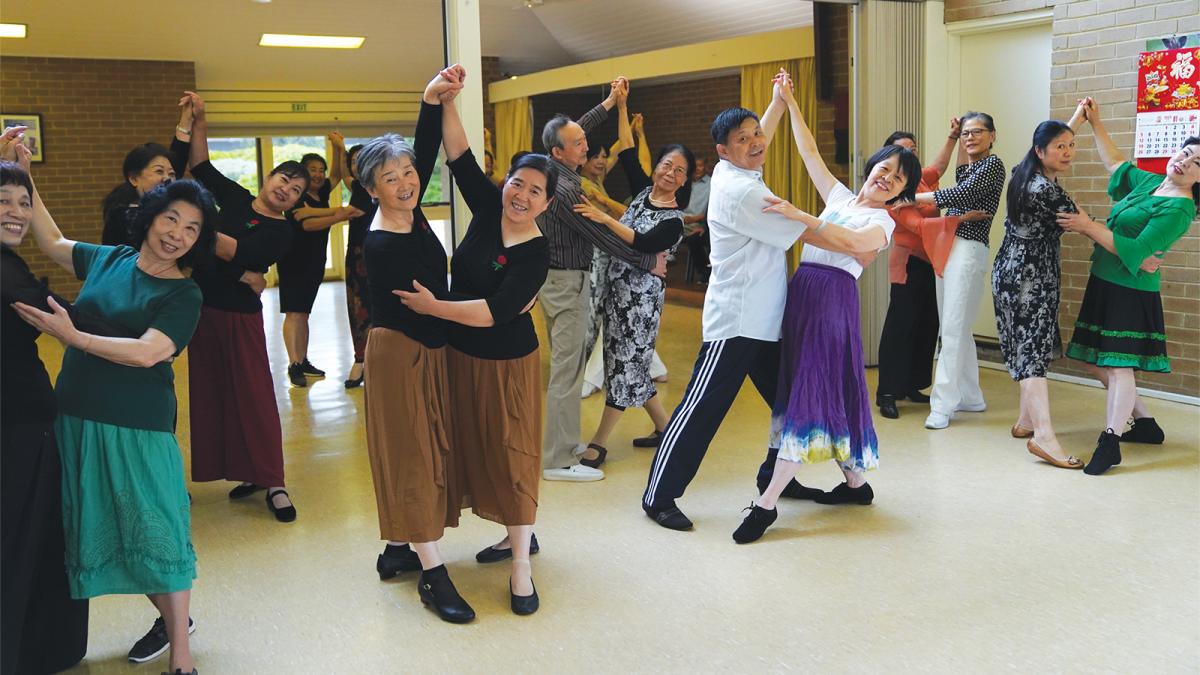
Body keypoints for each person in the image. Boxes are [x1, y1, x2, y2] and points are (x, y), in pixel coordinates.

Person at [14, 168, 216, 675]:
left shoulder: (182, 294)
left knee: (157, 530)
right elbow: (53, 240)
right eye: (171, 219)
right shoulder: (110, 260)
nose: (177, 234)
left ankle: (182, 657)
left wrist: (74, 337)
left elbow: (150, 352)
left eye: (192, 229)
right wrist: (26, 178)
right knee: (106, 526)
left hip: (137, 428)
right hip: (77, 420)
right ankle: (174, 623)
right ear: (150, 217)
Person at [731, 77, 921, 544]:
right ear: (873, 165)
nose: (887, 177)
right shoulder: (840, 197)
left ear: (899, 193)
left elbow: (855, 245)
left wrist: (801, 218)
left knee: (807, 399)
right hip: (803, 299)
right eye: (886, 167)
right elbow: (810, 153)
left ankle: (766, 504)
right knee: (814, 391)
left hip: (832, 306)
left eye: (897, 179)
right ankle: (857, 485)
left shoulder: (880, 221)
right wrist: (790, 101)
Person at [396, 65, 550, 615]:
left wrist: (436, 308)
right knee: (471, 450)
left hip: (507, 363)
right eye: (517, 183)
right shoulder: (488, 209)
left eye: (535, 191)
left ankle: (521, 564)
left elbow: (497, 313)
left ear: (546, 204)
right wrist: (446, 99)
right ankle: (510, 533)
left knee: (513, 455)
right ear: (504, 183)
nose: (522, 195)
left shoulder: (535, 251)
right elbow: (458, 155)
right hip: (460, 359)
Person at [641, 70, 825, 531]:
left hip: (767, 319)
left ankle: (777, 476)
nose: (757, 141)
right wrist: (864, 235)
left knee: (788, 401)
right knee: (702, 408)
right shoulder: (743, 190)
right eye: (743, 139)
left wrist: (778, 104)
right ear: (723, 151)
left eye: (757, 133)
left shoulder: (734, 168)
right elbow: (809, 230)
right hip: (738, 318)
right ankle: (658, 496)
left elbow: (755, 135)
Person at [359, 73, 474, 623]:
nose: (406, 181)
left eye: (408, 173)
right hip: (401, 352)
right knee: (414, 457)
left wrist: (430, 100)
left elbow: (423, 154)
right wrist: (488, 311)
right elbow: (432, 308)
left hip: (425, 348)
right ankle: (433, 574)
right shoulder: (382, 241)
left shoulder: (407, 209)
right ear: (370, 189)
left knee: (426, 447)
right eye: (391, 177)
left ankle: (398, 549)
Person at [536, 76, 667, 482]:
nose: (586, 145)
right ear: (559, 152)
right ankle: (558, 459)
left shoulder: (557, 168)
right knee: (567, 372)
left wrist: (611, 103)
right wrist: (648, 261)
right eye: (577, 144)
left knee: (570, 368)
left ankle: (565, 443)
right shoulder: (566, 188)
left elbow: (578, 127)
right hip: (564, 282)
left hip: (561, 279)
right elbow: (602, 237)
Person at [1058, 98, 1197, 475]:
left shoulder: (1181, 209)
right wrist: (1096, 124)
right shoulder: (1152, 182)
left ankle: (1111, 440)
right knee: (1093, 360)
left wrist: (1087, 226)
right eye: (1185, 152)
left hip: (1132, 291)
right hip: (1104, 279)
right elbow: (1116, 163)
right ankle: (1147, 424)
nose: (1184, 161)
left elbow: (1136, 250)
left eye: (1196, 162)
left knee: (1119, 368)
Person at [184, 91, 305, 522]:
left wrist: (193, 230)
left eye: (294, 191)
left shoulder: (282, 231)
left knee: (253, 396)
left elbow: (241, 255)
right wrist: (200, 120)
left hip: (240, 319)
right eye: (282, 182)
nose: (285, 191)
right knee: (214, 395)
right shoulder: (235, 197)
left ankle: (275, 481)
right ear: (268, 176)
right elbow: (200, 166)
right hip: (204, 312)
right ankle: (246, 470)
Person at [0, 150, 89, 675]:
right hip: (17, 427)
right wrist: (143, 326)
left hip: (21, 420)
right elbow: (60, 316)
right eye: (3, 201)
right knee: (19, 540)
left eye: (23, 202)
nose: (15, 211)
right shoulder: (6, 271)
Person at [574, 87, 689, 465]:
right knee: (629, 363)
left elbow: (643, 241)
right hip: (618, 289)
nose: (670, 173)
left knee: (625, 365)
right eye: (666, 165)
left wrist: (605, 217)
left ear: (685, 181)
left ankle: (599, 443)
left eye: (679, 171)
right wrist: (621, 105)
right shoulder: (643, 193)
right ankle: (667, 429)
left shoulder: (674, 221)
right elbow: (625, 146)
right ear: (656, 167)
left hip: (641, 300)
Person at [993, 111, 1090, 469]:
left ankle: (1025, 421)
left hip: (1010, 272)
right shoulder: (1045, 190)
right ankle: (1045, 438)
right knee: (1033, 353)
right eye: (1060, 147)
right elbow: (1080, 219)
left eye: (1071, 145)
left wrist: (1075, 119)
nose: (1068, 152)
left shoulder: (1025, 174)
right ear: (1040, 151)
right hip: (1030, 279)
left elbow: (1051, 141)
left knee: (1025, 345)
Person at [874, 124, 987, 419]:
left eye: (913, 149)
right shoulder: (892, 191)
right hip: (908, 261)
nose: (910, 153)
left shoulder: (919, 179)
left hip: (932, 260)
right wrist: (962, 217)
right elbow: (920, 226)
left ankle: (913, 384)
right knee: (901, 325)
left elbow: (938, 166)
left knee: (928, 323)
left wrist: (952, 137)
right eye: (903, 150)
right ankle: (887, 392)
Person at [914, 111, 1006, 430]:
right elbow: (961, 182)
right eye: (967, 132)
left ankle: (942, 405)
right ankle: (970, 395)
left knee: (952, 328)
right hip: (950, 245)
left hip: (968, 249)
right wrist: (954, 137)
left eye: (978, 131)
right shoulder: (972, 166)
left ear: (993, 135)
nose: (971, 137)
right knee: (957, 326)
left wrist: (909, 198)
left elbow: (959, 195)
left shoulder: (993, 165)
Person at [277, 151, 363, 387]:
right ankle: (294, 364)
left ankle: (303, 360)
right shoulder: (297, 195)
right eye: (312, 169)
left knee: (304, 312)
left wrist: (337, 147)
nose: (318, 174)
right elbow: (308, 225)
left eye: (320, 170)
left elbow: (337, 175)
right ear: (303, 173)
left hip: (314, 262)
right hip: (293, 261)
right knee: (294, 313)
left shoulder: (321, 191)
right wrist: (339, 214)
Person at [100, 96, 195, 246]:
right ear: (134, 179)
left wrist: (187, 119)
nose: (167, 178)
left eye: (171, 174)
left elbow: (179, 156)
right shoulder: (122, 216)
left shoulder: (170, 207)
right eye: (159, 171)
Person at [329, 135, 377, 387]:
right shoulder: (357, 186)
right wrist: (339, 148)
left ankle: (372, 360)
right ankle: (360, 358)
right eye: (354, 162)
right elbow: (343, 173)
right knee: (357, 306)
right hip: (356, 253)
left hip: (377, 255)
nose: (357, 166)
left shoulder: (377, 187)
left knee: (375, 306)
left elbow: (352, 212)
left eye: (362, 160)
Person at [681, 156, 712, 283]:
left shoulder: (712, 183)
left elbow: (713, 208)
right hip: (681, 221)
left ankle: (705, 271)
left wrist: (703, 222)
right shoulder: (684, 183)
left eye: (700, 165)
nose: (697, 169)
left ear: (705, 167)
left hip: (699, 223)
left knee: (694, 239)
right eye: (695, 166)